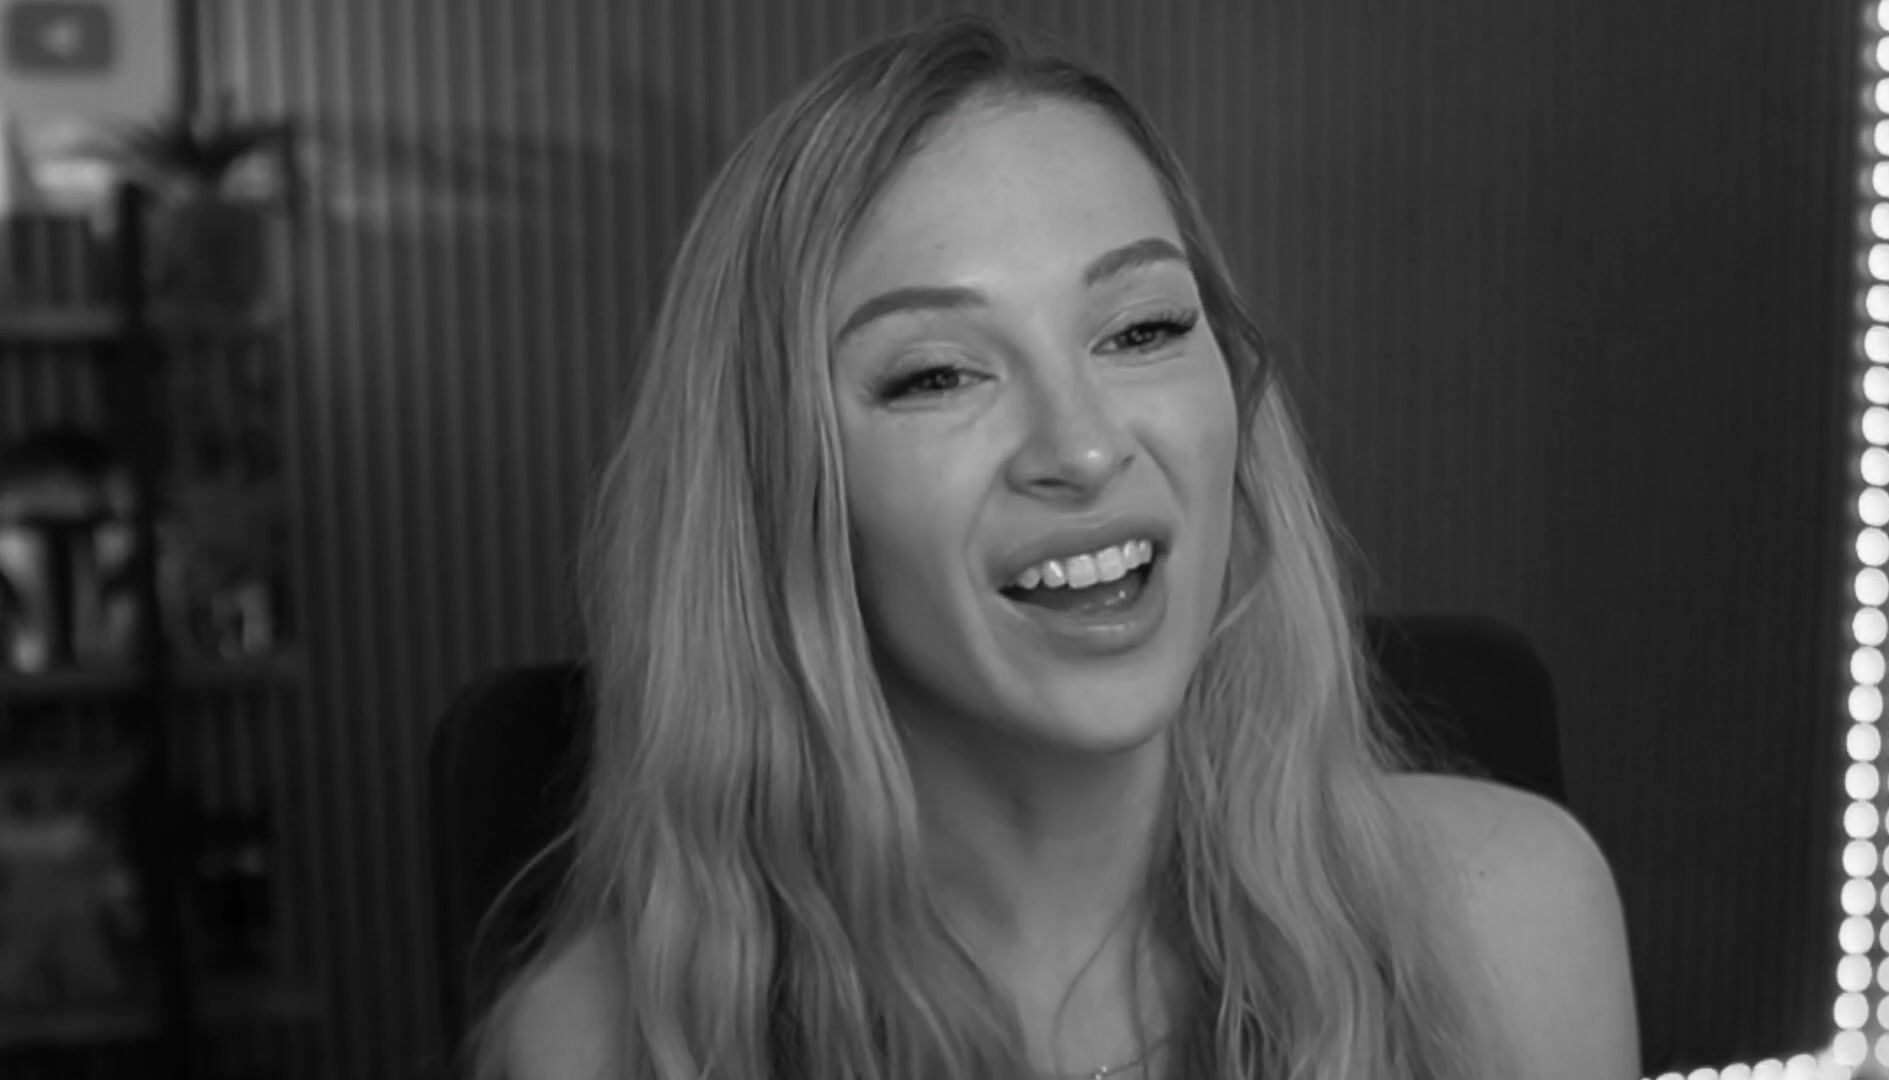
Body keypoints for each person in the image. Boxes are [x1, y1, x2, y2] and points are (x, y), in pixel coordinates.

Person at [475, 14, 1637, 1080]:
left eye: (1141, 329)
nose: (1081, 449)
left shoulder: (1513, 922)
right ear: (781, 491)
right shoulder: (597, 1048)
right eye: (938, 374)